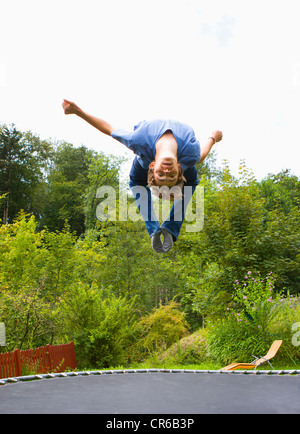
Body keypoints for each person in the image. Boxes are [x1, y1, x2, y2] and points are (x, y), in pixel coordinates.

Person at [62, 99, 223, 253]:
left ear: (153, 167)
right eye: (171, 175)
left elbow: (108, 129)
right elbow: (202, 154)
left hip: (145, 155)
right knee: (192, 180)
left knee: (136, 182)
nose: (166, 172)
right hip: (179, 157)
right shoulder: (190, 155)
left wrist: (77, 111)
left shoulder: (137, 140)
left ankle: (159, 230)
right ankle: (165, 228)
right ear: (179, 168)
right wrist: (212, 139)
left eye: (161, 174)